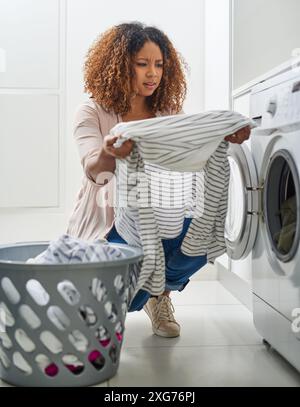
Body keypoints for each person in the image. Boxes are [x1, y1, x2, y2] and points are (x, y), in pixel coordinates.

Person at [66, 22, 250, 338]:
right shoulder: (92, 111)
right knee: (118, 289)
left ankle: (159, 295)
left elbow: (190, 156)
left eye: (159, 64)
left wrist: (224, 137)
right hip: (108, 224)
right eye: (142, 64)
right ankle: (130, 299)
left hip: (158, 216)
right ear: (120, 65)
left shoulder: (167, 112)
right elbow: (93, 168)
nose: (153, 73)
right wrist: (112, 151)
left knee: (196, 237)